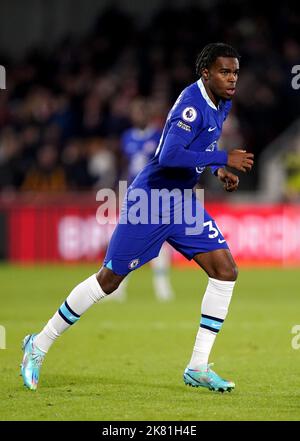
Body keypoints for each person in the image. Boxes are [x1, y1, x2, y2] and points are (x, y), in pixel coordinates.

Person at [21, 42, 254, 392]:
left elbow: (196, 150)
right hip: (151, 200)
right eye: (224, 71)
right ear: (206, 73)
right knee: (108, 280)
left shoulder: (222, 102)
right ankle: (37, 345)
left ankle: (198, 366)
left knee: (225, 270)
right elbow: (170, 156)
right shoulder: (191, 106)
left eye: (235, 71)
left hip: (181, 201)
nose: (232, 78)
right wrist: (223, 159)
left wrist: (215, 169)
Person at [114, 96, 175, 301]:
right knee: (127, 238)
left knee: (160, 238)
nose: (137, 116)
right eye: (135, 112)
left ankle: (162, 287)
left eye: (141, 112)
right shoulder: (127, 138)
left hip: (155, 193)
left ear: (148, 115)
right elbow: (124, 166)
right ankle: (117, 288)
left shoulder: (158, 136)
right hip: (132, 193)